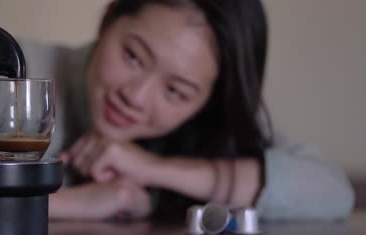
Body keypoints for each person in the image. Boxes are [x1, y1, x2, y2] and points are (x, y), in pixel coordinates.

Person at [20, 0, 355, 221]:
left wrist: (151, 167)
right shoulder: (14, 71)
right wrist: (74, 204)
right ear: (108, 20)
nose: (135, 97)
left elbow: (333, 192)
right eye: (133, 56)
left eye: (175, 91)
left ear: (207, 102)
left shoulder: (205, 131)